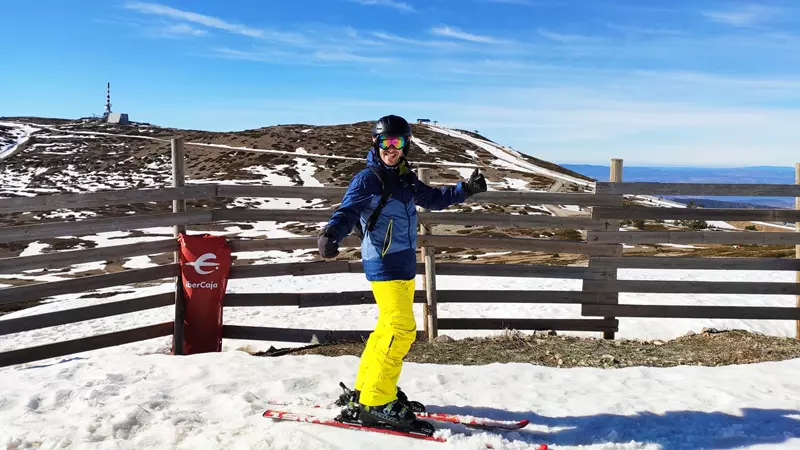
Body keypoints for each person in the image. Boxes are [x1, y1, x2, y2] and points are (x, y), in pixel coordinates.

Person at [317, 114, 487, 429]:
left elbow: (433, 199)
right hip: (383, 263)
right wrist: (331, 233)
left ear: (406, 145)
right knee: (402, 330)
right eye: (385, 142)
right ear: (376, 143)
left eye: (397, 142)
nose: (390, 148)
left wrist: (466, 189)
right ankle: (378, 402)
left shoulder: (405, 176)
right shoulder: (368, 178)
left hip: (404, 262)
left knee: (387, 329)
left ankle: (366, 389)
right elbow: (347, 211)